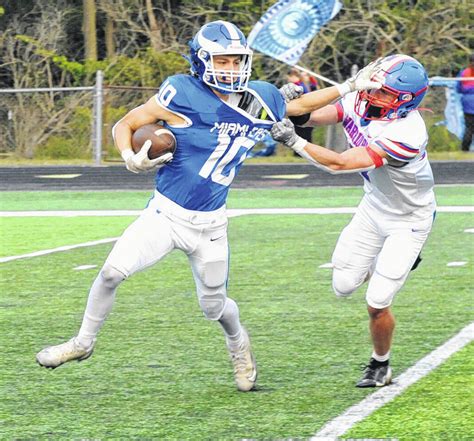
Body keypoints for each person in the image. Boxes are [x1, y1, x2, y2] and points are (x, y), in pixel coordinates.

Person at [35, 20, 380, 391]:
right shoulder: (181, 91)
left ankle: (238, 343)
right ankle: (83, 342)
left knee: (214, 306)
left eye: (236, 61)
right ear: (201, 61)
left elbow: (298, 105)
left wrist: (348, 86)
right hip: (165, 215)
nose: (230, 69)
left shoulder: (260, 97)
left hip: (211, 225)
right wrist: (129, 157)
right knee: (110, 273)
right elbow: (126, 124)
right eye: (222, 61)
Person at [272, 54, 435, 388]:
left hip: (409, 220)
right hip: (373, 207)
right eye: (374, 85)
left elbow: (340, 163)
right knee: (343, 285)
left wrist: (294, 141)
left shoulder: (408, 132)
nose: (373, 93)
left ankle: (380, 363)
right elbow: (310, 115)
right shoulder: (361, 100)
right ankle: (386, 262)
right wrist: (291, 105)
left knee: (377, 302)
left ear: (405, 101)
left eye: (384, 92)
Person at [457, 53, 474, 151]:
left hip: (467, 104)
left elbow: (458, 88)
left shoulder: (464, 73)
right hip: (469, 103)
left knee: (469, 128)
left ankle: (465, 149)